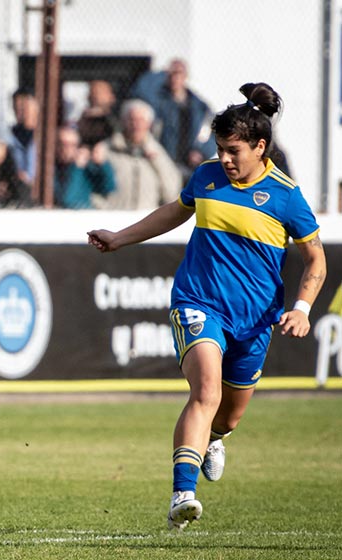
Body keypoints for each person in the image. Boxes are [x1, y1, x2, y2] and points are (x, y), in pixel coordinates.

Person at [87, 83, 326, 531]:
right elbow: (175, 212)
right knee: (206, 393)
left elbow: (317, 259)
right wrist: (120, 237)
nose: (226, 159)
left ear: (260, 146)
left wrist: (303, 307)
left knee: (229, 413)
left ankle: (216, 438)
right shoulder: (207, 176)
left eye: (234, 150)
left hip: (255, 320)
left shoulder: (285, 196)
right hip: (197, 303)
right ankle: (182, 494)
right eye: (220, 149)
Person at [130, 59, 216, 182]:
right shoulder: (158, 102)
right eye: (170, 74)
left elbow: (211, 132)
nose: (174, 78)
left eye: (178, 73)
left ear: (185, 76)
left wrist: (201, 152)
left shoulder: (199, 107)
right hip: (164, 161)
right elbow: (140, 91)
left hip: (190, 165)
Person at [97, 99, 181, 210]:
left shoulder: (158, 153)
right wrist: (103, 209)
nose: (136, 125)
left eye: (141, 120)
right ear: (123, 122)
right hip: (113, 217)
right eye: (131, 120)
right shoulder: (106, 149)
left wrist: (156, 160)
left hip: (145, 219)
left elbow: (172, 193)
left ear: (149, 124)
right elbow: (91, 187)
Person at [53, 126, 115, 209]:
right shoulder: (52, 169)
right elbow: (67, 200)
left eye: (72, 145)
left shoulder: (85, 169)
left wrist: (102, 165)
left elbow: (109, 188)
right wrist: (76, 168)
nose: (66, 149)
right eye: (63, 144)